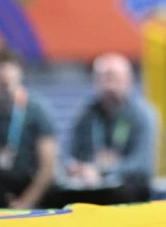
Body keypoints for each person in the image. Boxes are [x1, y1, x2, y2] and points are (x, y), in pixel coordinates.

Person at [65, 53, 156, 205]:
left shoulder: (141, 114)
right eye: (105, 79)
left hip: (127, 187)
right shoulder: (86, 114)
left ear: (129, 81)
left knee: (123, 192)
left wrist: (103, 170)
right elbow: (71, 154)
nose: (110, 87)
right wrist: (79, 168)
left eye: (115, 79)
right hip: (89, 186)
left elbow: (142, 164)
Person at [0, 47, 58, 209]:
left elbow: (48, 167)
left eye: (7, 81)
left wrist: (26, 202)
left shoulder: (35, 111)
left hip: (29, 188)